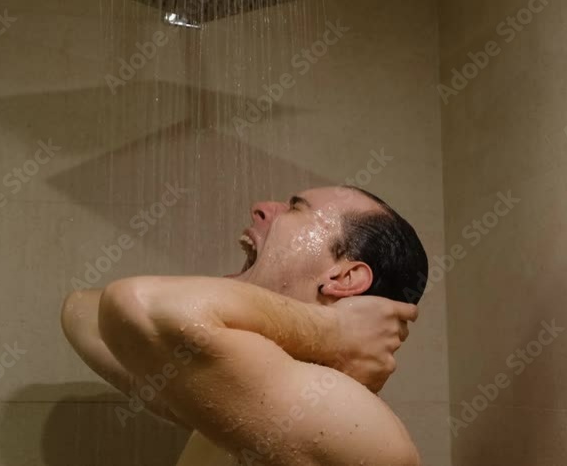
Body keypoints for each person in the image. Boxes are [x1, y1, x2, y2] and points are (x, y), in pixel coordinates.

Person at [61, 185, 428, 465]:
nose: (263, 208)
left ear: (344, 277)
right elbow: (81, 311)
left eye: (296, 208)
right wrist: (330, 330)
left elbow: (137, 304)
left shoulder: (354, 421)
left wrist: (331, 331)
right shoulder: (245, 388)